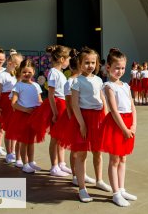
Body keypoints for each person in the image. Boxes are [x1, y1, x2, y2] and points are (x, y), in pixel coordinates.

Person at [62, 47, 111, 202]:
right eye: (87, 62)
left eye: (93, 62)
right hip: (83, 118)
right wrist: (82, 124)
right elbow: (75, 104)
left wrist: (106, 116)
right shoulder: (76, 81)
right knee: (81, 154)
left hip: (98, 118)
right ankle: (82, 188)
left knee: (98, 151)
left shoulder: (98, 80)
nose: (90, 65)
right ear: (80, 63)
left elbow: (103, 99)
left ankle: (99, 180)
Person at [100, 48, 137, 207]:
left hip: (128, 123)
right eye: (117, 68)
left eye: (122, 68)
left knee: (123, 158)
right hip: (116, 124)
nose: (120, 71)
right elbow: (114, 110)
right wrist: (124, 129)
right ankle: (115, 193)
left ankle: (121, 188)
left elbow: (132, 106)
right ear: (108, 67)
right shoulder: (108, 86)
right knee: (114, 159)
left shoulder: (126, 85)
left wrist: (134, 125)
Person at [30, 45, 72, 177]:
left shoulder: (59, 73)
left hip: (62, 103)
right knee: (55, 137)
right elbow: (51, 94)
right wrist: (54, 112)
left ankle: (61, 163)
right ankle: (54, 166)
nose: (69, 62)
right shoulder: (53, 72)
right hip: (57, 104)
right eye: (68, 59)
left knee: (61, 136)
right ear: (61, 59)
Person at [6, 58, 43, 173]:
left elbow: (40, 100)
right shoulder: (18, 86)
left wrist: (41, 109)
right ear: (20, 72)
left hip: (33, 116)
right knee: (23, 141)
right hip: (22, 116)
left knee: (31, 141)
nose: (27, 74)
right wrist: (26, 110)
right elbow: (13, 103)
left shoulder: (36, 86)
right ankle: (24, 163)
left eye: (29, 72)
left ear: (34, 72)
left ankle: (31, 162)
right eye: (24, 72)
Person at [0, 49, 23, 163]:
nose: (17, 67)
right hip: (6, 103)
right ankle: (9, 152)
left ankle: (14, 151)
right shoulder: (2, 75)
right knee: (8, 128)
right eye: (16, 64)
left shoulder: (17, 76)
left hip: (15, 102)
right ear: (10, 63)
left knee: (15, 128)